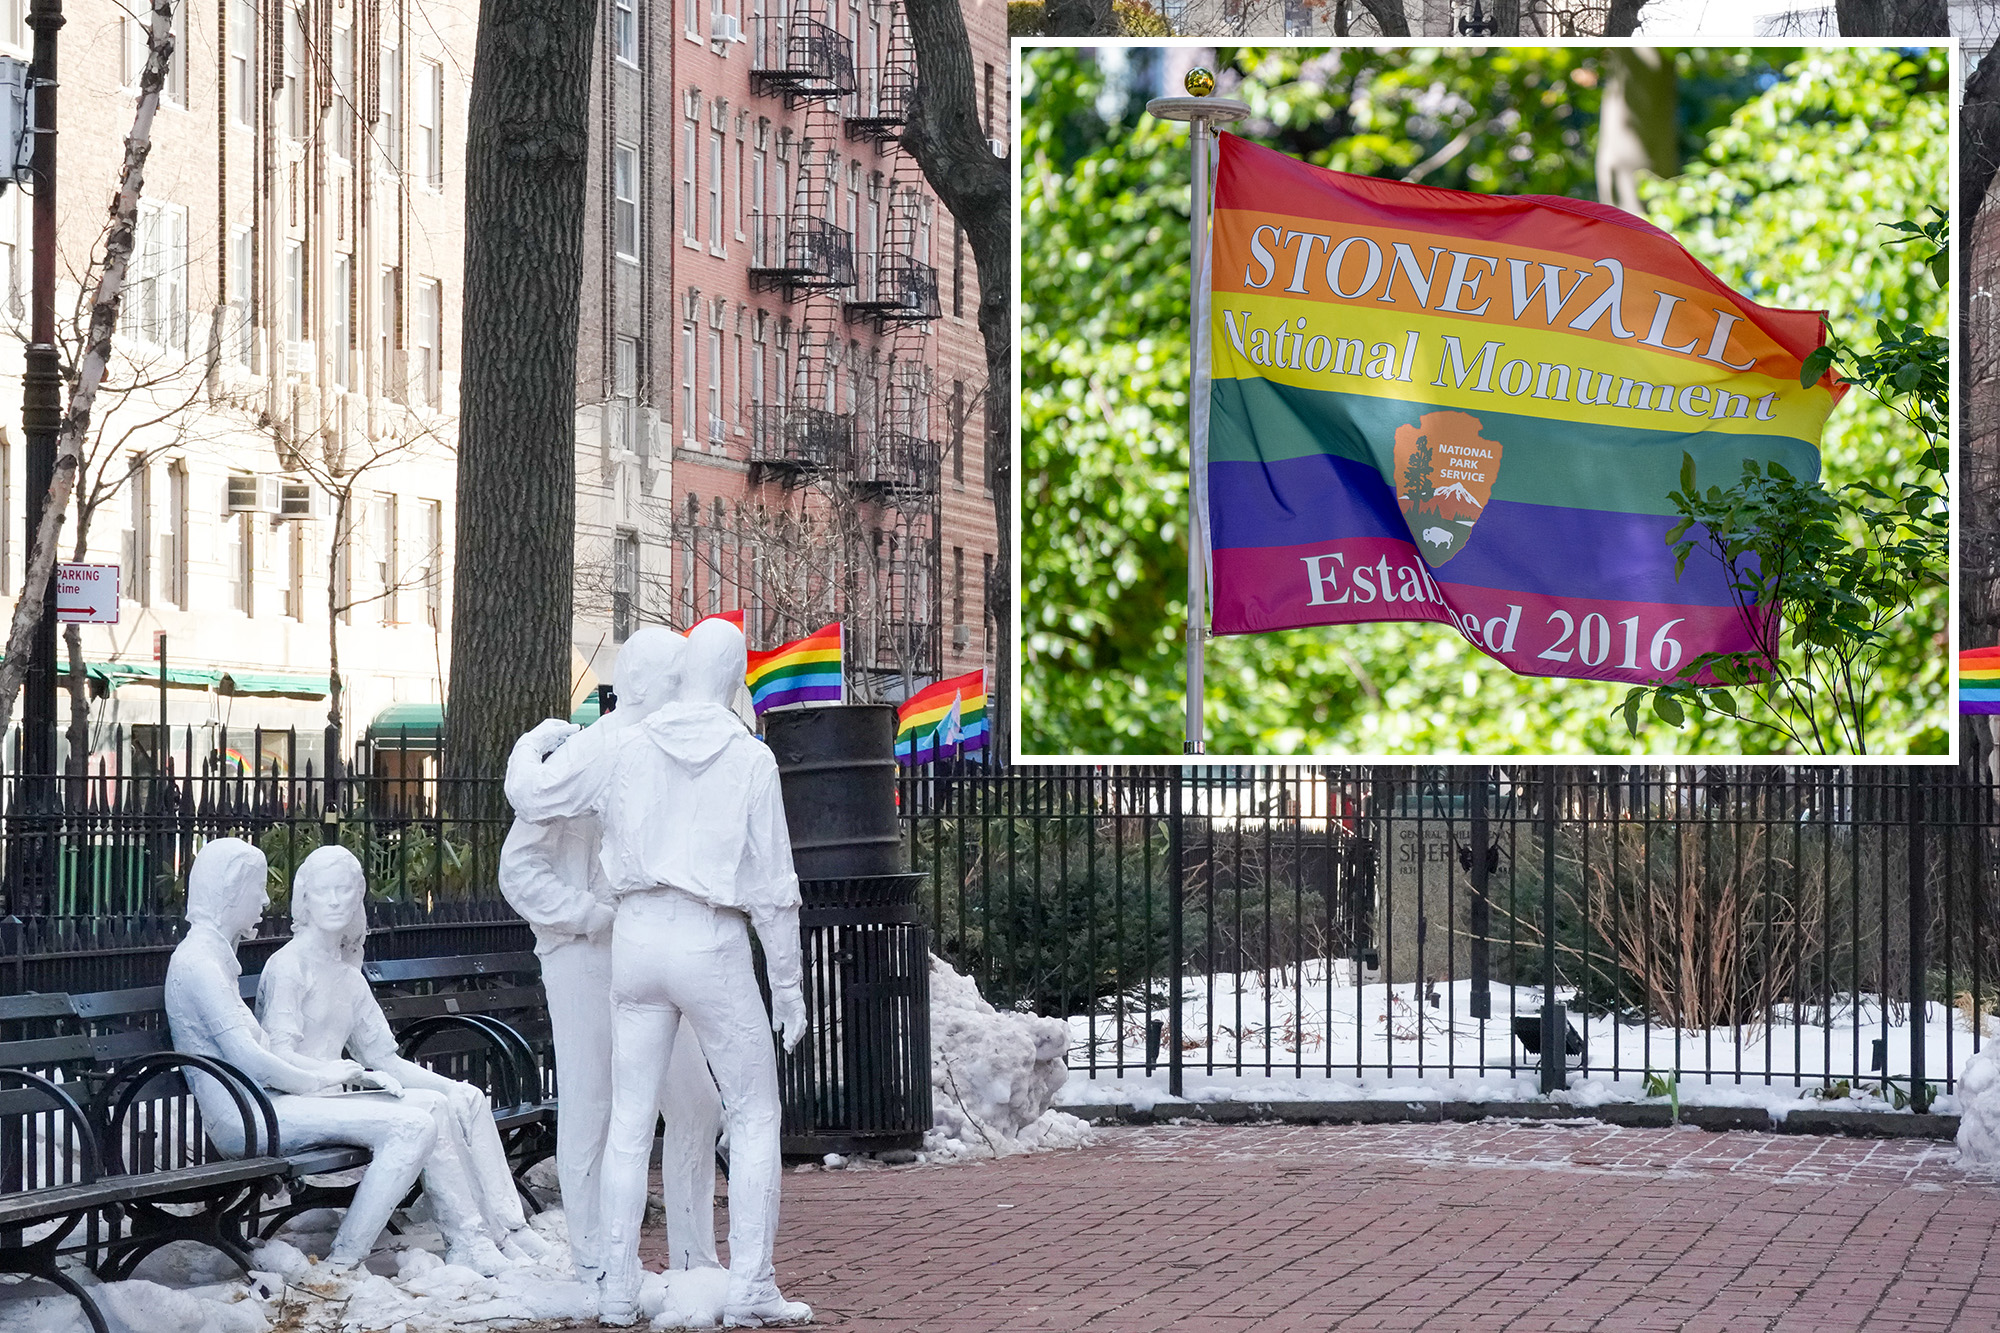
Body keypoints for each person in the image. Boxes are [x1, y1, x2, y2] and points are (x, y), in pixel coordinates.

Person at [507, 618, 809, 1328]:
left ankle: (616, 1284)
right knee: (755, 1110)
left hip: (636, 937)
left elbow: (536, 795)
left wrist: (529, 751)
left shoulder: (626, 747)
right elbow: (772, 887)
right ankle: (751, 1281)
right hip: (709, 935)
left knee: (630, 1119)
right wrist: (789, 983)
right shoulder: (749, 759)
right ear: (736, 679)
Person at [497, 626, 725, 1285]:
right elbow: (520, 869)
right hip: (584, 955)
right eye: (680, 680)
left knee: (694, 1101)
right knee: (593, 1101)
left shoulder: (666, 750)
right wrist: (591, 916)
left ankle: (693, 1258)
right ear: (650, 685)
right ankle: (595, 1257)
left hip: (652, 951)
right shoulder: (589, 752)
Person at [165, 839, 498, 1274]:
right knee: (412, 1126)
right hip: (244, 1120)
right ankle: (344, 1259)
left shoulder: (215, 960)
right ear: (230, 891)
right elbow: (252, 1058)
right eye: (259, 889)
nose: (267, 900)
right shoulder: (200, 964)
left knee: (429, 1109)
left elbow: (259, 1054)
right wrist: (325, 1078)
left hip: (262, 1105)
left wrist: (342, 1074)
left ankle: (476, 1239)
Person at [257, 844, 547, 1270]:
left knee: (464, 1099)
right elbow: (279, 1057)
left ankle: (506, 1230)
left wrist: (453, 1086)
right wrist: (342, 1073)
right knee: (428, 1109)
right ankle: (469, 1238)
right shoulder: (288, 967)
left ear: (359, 897)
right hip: (296, 1100)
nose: (336, 901)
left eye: (345, 890)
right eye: (324, 891)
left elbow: (384, 1060)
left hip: (331, 1096)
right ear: (305, 899)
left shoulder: (346, 975)